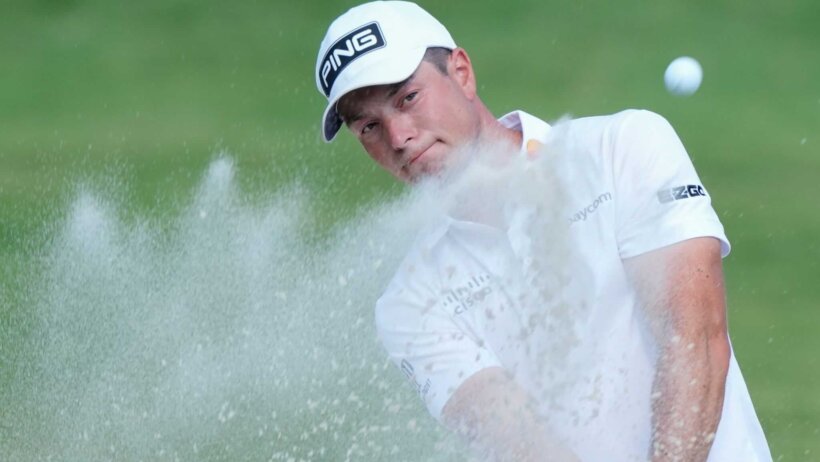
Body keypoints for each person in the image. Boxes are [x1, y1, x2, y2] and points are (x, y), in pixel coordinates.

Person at [314, 2, 772, 461]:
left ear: (461, 72)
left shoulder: (624, 148)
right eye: (369, 126)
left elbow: (694, 337)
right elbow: (521, 444)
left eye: (407, 98)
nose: (397, 137)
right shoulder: (409, 305)